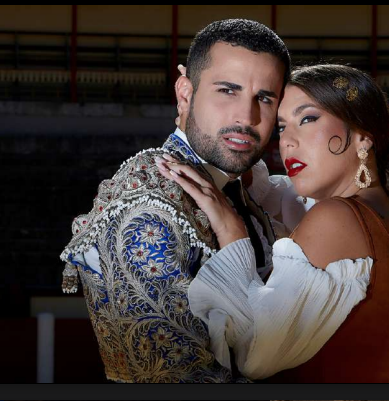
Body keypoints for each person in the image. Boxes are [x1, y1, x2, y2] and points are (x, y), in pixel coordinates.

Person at [59, 19, 306, 382]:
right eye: (227, 90)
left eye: (264, 98)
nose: (247, 117)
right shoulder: (148, 208)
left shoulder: (242, 190)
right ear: (185, 93)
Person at [158, 63, 389, 382]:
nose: (288, 142)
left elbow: (255, 356)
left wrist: (231, 231)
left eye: (308, 119)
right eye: (282, 127)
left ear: (362, 137)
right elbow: (276, 199)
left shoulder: (338, 218)